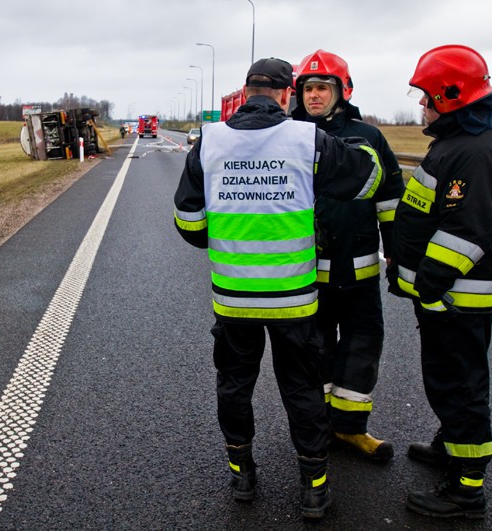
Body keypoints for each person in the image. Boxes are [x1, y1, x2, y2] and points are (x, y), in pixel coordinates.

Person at [173, 57, 383, 520]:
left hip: (233, 299)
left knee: (234, 386)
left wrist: (229, 234)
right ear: (288, 95)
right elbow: (369, 179)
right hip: (294, 299)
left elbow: (188, 222)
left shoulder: (210, 142)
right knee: (303, 390)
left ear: (244, 92)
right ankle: (313, 488)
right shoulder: (307, 139)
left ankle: (242, 475)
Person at [387, 44, 492, 519]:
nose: (422, 104)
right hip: (448, 294)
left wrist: (427, 282)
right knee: (448, 379)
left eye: (427, 96)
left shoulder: (476, 150)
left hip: (457, 294)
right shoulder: (462, 141)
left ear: (452, 95)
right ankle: (450, 443)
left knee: (459, 385)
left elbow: (467, 231)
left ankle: (466, 489)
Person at [291, 50, 405, 463]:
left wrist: (395, 251)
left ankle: (351, 428)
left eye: (323, 87)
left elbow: (391, 200)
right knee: (314, 349)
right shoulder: (287, 135)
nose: (314, 95)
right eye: (308, 87)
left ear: (343, 91)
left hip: (359, 270)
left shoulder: (368, 136)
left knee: (363, 344)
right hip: (306, 271)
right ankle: (318, 426)